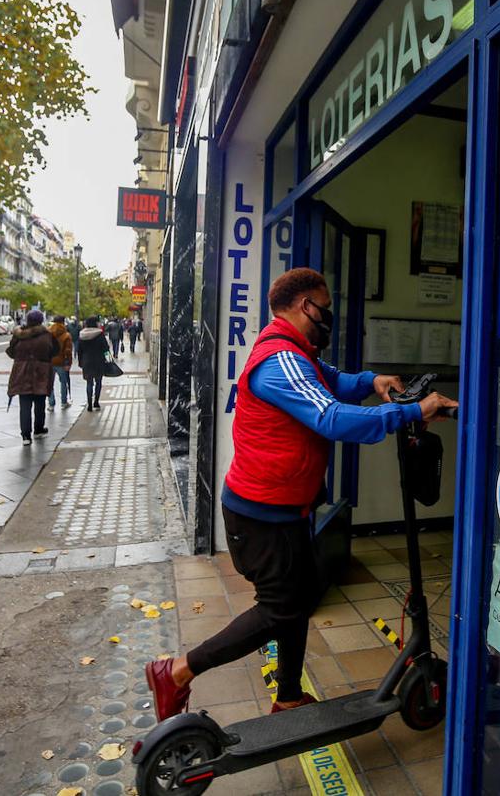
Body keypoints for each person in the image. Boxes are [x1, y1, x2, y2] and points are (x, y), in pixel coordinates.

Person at [145, 268, 457, 721]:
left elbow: (333, 381)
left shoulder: (297, 353)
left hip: (284, 509)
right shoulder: (280, 361)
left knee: (299, 597)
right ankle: (176, 671)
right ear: (305, 305)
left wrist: (373, 382)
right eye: (325, 307)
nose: (328, 316)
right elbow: (331, 418)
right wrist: (412, 410)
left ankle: (288, 695)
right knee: (280, 608)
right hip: (259, 515)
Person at [6, 310, 59, 446]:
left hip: (22, 373)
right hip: (40, 373)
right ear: (41, 320)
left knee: (25, 405)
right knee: (40, 403)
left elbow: (11, 352)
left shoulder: (19, 335)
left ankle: (25, 435)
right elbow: (55, 350)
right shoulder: (46, 335)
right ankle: (38, 429)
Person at [77, 316, 111, 411]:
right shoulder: (99, 334)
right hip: (98, 361)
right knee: (98, 382)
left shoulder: (82, 335)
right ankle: (96, 401)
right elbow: (105, 349)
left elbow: (79, 351)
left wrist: (80, 362)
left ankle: (89, 404)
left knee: (89, 383)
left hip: (86, 361)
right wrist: (109, 360)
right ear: (95, 323)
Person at [47, 315, 73, 410]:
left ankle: (51, 404)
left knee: (50, 383)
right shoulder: (66, 335)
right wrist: (68, 363)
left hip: (49, 362)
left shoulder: (48, 333)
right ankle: (64, 402)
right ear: (63, 322)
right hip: (61, 362)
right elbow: (68, 351)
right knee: (63, 382)